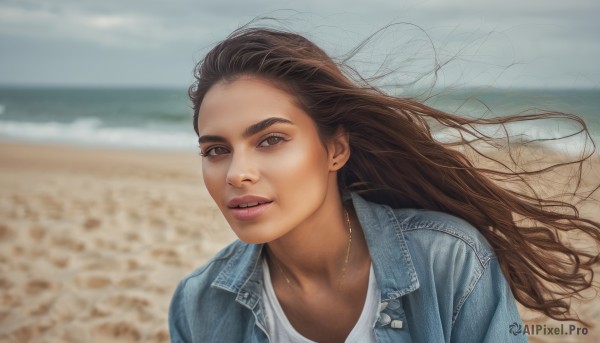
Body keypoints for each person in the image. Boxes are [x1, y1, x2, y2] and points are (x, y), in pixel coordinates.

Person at [169, 25, 600, 342]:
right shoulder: (199, 304)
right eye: (215, 150)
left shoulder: (447, 260)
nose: (236, 173)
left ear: (335, 150)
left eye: (271, 139)